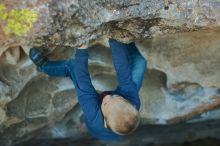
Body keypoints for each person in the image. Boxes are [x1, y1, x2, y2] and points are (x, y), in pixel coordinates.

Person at [29, 39, 147, 140]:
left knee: (73, 67)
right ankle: (128, 40)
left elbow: (83, 78)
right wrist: (116, 38)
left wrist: (82, 49)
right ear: (131, 103)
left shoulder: (93, 114)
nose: (107, 96)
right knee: (140, 63)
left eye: (106, 103)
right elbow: (123, 70)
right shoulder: (132, 99)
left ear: (105, 122)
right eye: (116, 96)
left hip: (98, 131)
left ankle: (44, 66)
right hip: (118, 118)